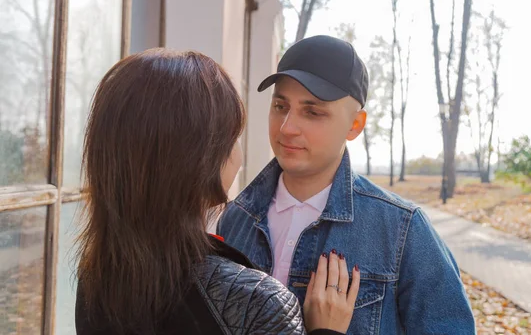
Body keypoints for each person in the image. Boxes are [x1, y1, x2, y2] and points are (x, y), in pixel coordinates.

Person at [74, 48, 361, 335]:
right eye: (233, 137)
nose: (287, 129)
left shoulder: (96, 277)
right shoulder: (259, 302)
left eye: (312, 111)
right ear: (198, 160)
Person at [217, 35, 477, 334]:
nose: (287, 127)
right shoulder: (235, 219)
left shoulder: (402, 230)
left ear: (355, 125)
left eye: (312, 111)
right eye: (280, 106)